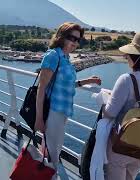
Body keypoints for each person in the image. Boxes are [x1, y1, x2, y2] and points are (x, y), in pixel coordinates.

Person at [34, 22, 101, 179]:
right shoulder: (53, 56)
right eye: (72, 38)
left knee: (49, 150)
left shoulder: (65, 58)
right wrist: (39, 119)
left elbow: (66, 85)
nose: (75, 43)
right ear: (61, 37)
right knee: (53, 153)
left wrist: (86, 81)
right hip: (53, 112)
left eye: (78, 40)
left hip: (62, 112)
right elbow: (41, 88)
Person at [100, 32, 140, 180]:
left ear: (137, 57)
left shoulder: (127, 79)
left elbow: (110, 112)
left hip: (122, 145)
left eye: (128, 54)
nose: (125, 57)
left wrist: (103, 102)